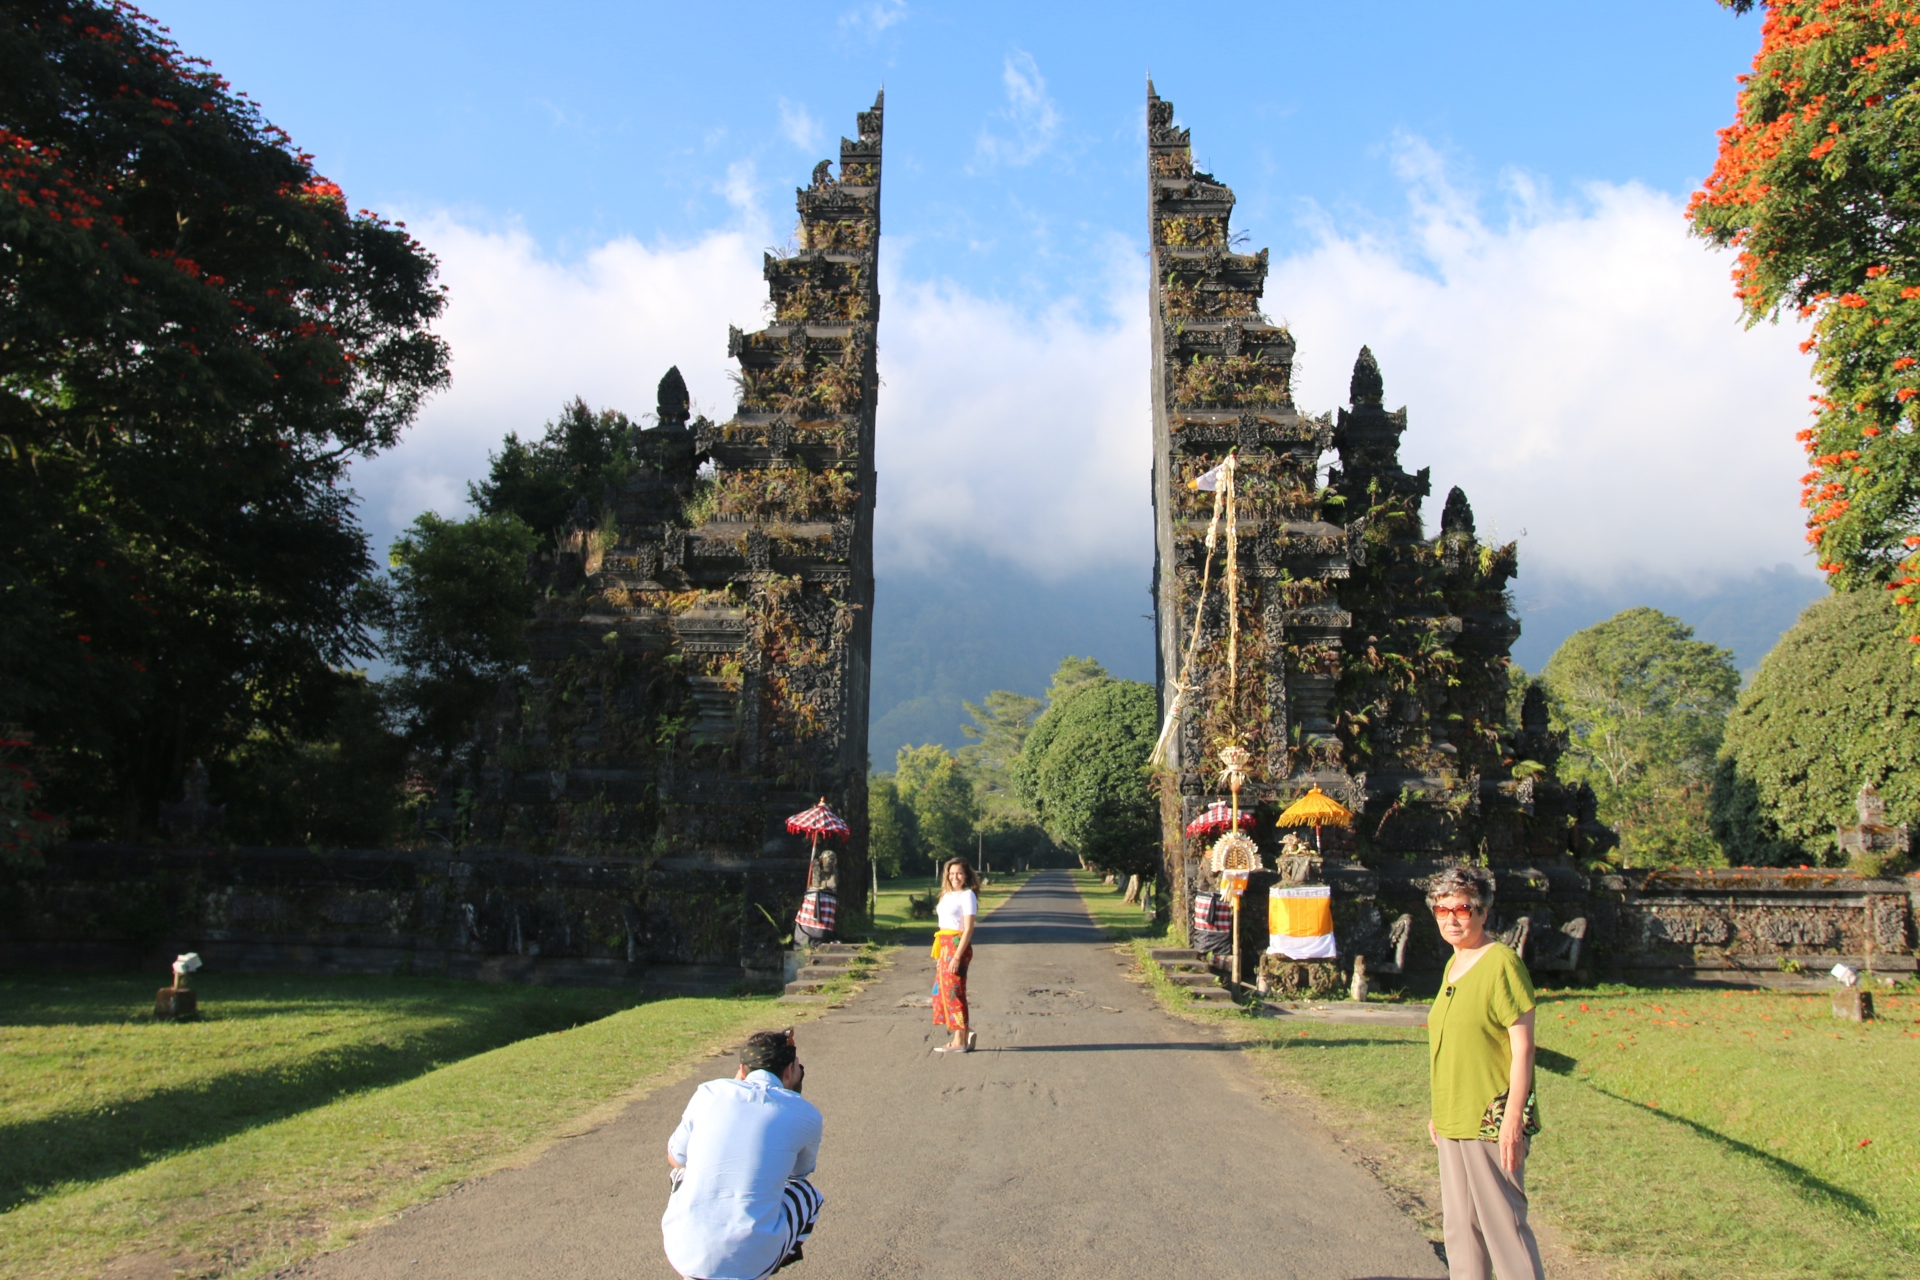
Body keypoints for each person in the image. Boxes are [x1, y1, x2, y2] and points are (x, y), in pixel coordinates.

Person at [1426, 866, 1545, 1280]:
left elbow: (1523, 1046)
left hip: (1490, 1115)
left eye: (1460, 909)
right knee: (1461, 1230)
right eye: (1441, 911)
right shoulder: (1454, 964)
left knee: (1503, 1229)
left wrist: (1513, 1117)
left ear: (1482, 911)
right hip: (1453, 1114)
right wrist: (1437, 1112)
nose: (1451, 919)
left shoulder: (1501, 963)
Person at [662, 1029, 824, 1280]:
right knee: (807, 1193)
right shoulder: (807, 1114)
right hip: (751, 1261)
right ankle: (767, 1259)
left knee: (682, 1173)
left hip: (682, 1251)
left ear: (741, 1069)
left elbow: (676, 1158)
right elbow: (799, 1173)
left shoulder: (708, 1093)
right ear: (790, 1071)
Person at [932, 857, 978, 1053]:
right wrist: (941, 957)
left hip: (958, 946)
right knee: (940, 991)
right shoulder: (946, 894)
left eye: (959, 873)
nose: (955, 877)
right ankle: (964, 1030)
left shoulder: (967, 896)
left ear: (966, 875)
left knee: (954, 992)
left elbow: (968, 929)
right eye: (951, 874)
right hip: (944, 946)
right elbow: (943, 924)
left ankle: (959, 1040)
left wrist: (957, 956)